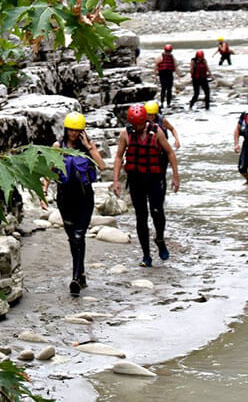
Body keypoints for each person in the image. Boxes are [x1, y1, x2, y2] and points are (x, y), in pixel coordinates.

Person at [113, 104, 179, 267]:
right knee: (141, 217)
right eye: (135, 125)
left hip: (155, 178)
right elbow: (119, 157)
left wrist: (175, 177)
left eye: (140, 124)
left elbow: (170, 153)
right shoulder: (125, 134)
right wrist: (115, 180)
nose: (138, 127)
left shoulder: (157, 132)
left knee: (157, 212)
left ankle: (160, 238)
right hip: (136, 180)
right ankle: (146, 255)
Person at [50, 112, 106, 296]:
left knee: (79, 236)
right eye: (71, 130)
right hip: (65, 198)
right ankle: (80, 274)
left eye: (77, 131)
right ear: (66, 130)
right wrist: (43, 191)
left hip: (84, 198)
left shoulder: (87, 148)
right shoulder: (58, 146)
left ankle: (75, 278)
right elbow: (49, 169)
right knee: (72, 238)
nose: (73, 134)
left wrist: (90, 147)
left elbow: (102, 165)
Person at [154, 44, 178, 108]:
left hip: (169, 74)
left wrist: (178, 75)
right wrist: (155, 75)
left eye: (169, 51)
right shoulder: (160, 57)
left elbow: (175, 66)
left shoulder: (172, 57)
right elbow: (156, 65)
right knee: (163, 89)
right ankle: (162, 103)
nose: (168, 52)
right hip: (163, 74)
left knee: (169, 89)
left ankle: (168, 103)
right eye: (168, 51)